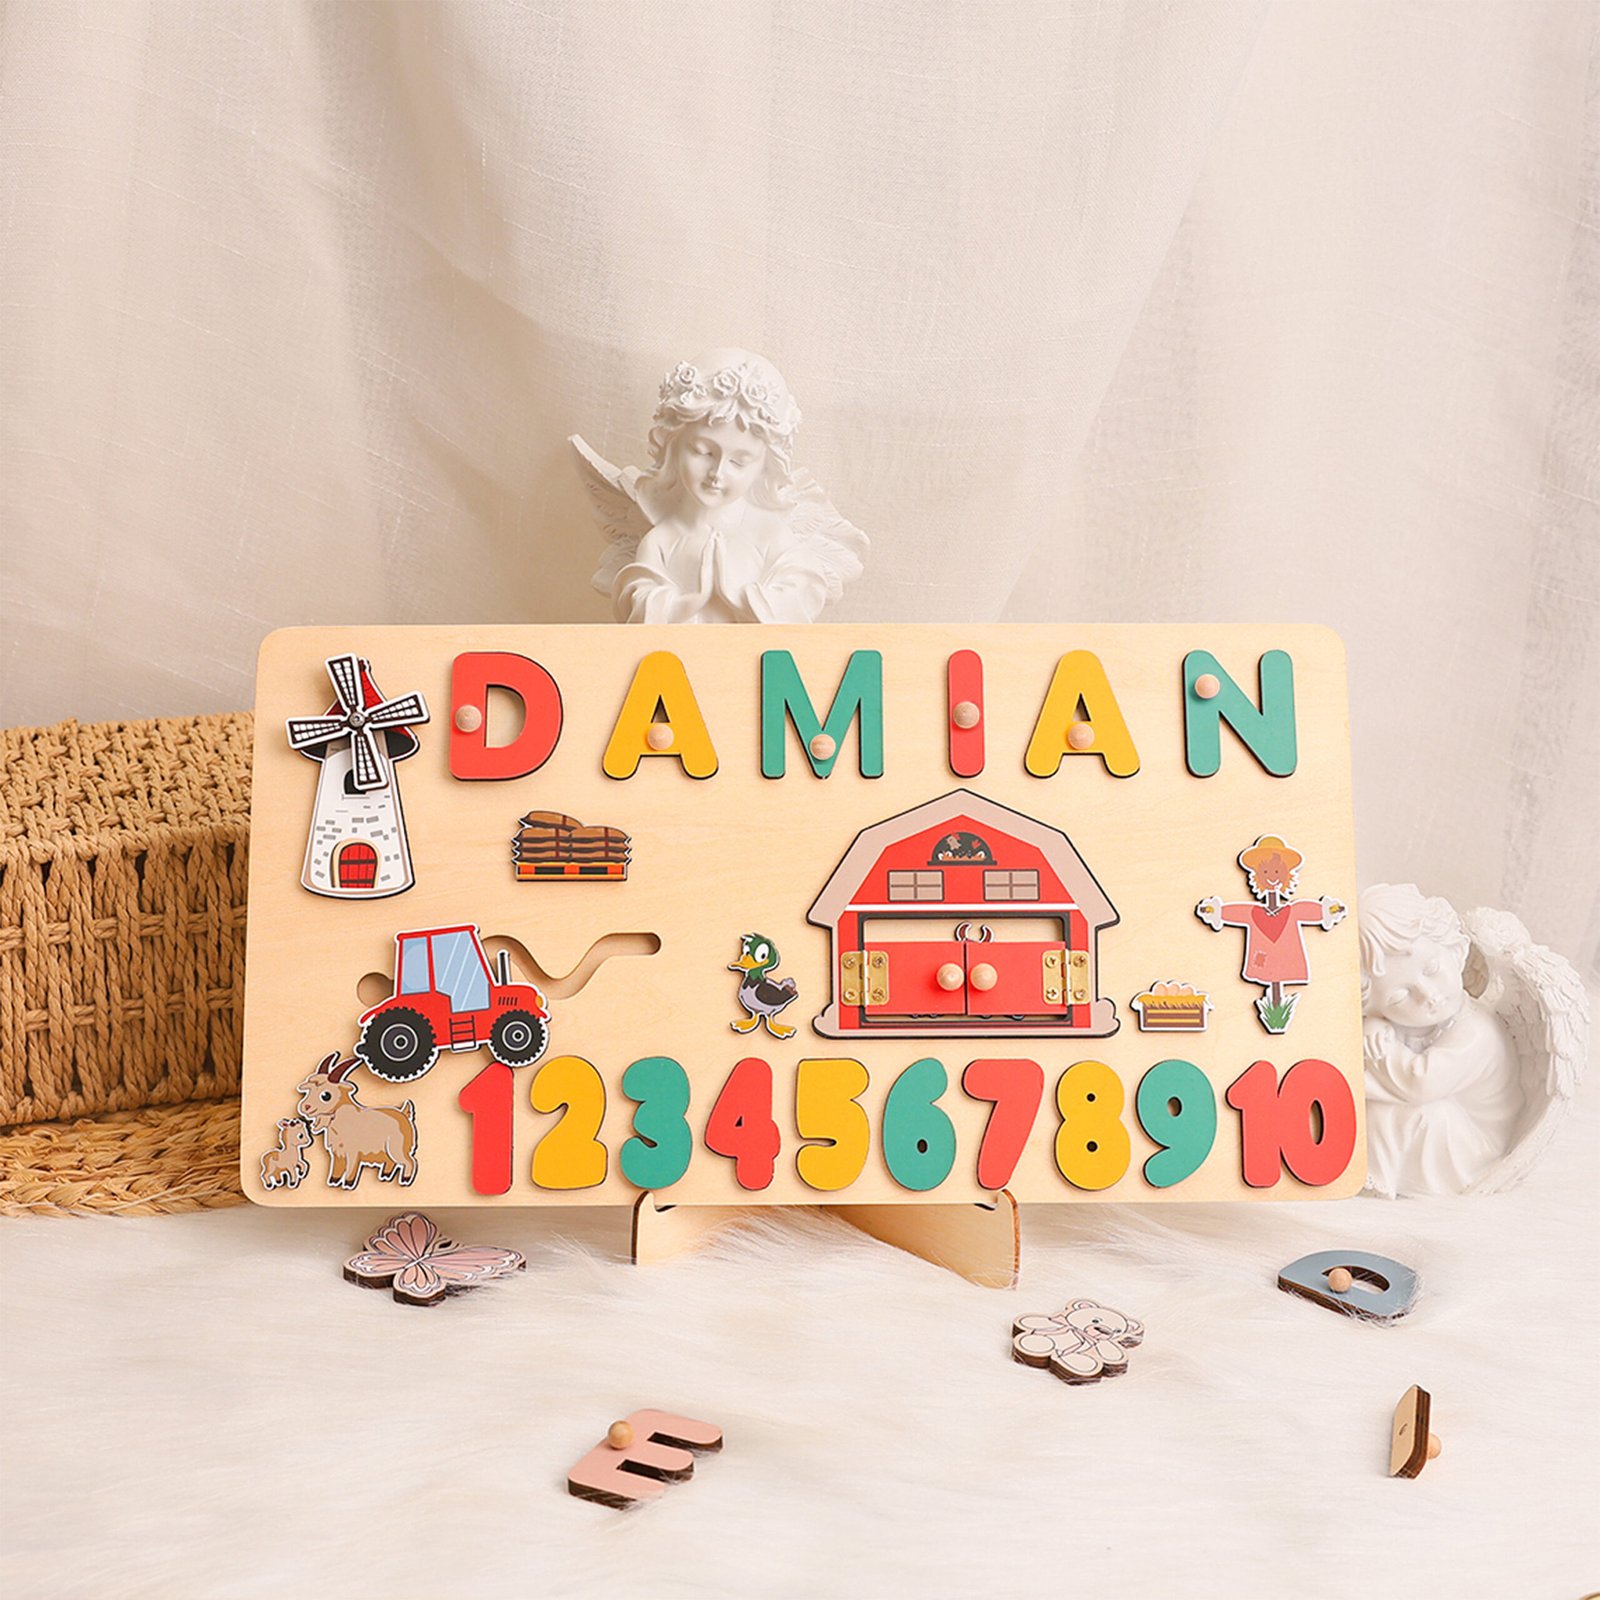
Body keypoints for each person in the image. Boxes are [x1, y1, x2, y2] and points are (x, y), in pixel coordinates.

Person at [572, 348, 867, 623]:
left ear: (763, 467)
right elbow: (636, 602)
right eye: (703, 452)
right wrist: (689, 601)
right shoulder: (661, 540)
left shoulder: (769, 534)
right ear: (672, 446)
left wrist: (739, 597)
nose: (717, 473)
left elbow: (804, 591)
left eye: (739, 462)